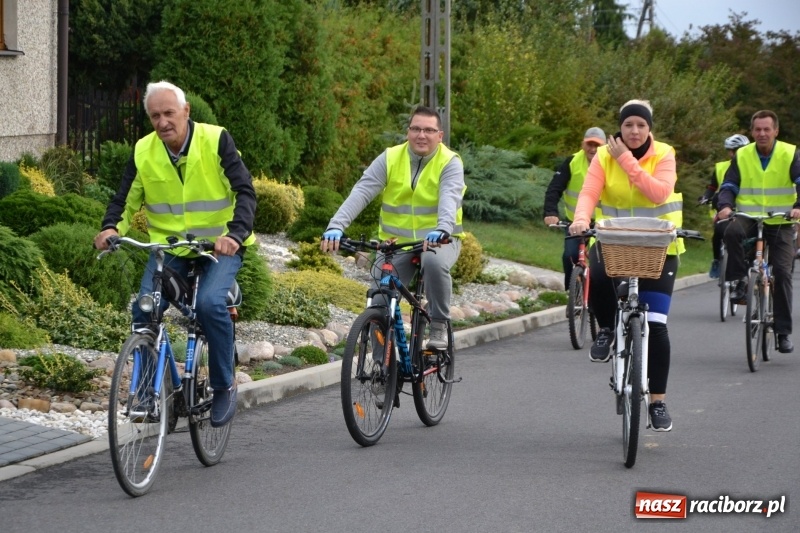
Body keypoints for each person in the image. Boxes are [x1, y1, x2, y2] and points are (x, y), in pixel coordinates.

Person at [93, 81, 256, 427]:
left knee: (209, 304)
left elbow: (244, 191)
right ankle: (155, 391)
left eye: (169, 113)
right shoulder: (144, 150)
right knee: (143, 310)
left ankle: (223, 385)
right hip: (170, 249)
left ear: (186, 111)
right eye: (155, 116)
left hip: (218, 247)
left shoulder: (216, 140)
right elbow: (124, 199)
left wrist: (235, 234)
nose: (162, 122)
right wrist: (110, 228)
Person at [569, 99, 684, 432]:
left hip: (660, 248)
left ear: (650, 129)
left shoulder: (664, 154)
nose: (634, 131)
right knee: (596, 272)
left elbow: (659, 193)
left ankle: (658, 402)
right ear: (619, 127)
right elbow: (589, 192)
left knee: (656, 326)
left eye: (641, 125)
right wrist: (581, 218)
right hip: (615, 243)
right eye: (628, 125)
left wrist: (626, 160)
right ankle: (606, 329)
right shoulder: (603, 156)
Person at [320, 105, 465, 351]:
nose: (421, 135)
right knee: (380, 299)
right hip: (396, 243)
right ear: (408, 132)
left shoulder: (449, 162)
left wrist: (442, 228)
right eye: (416, 129)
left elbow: (450, 197)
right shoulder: (390, 157)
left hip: (439, 240)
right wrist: (336, 226)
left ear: (440, 136)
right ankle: (381, 366)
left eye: (429, 130)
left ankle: (439, 323)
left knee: (433, 262)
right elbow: (362, 191)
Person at [716, 110, 800, 354]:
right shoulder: (743, 154)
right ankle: (740, 280)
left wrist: (797, 206)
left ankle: (783, 332)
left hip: (781, 220)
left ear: (776, 131)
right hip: (749, 217)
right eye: (758, 129)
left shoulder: (790, 153)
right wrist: (725, 206)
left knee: (782, 273)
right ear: (752, 132)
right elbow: (729, 184)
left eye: (767, 129)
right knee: (731, 232)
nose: (762, 133)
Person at [543, 127, 607, 288]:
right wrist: (550, 212)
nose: (593, 149)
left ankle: (597, 295)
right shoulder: (572, 162)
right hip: (576, 222)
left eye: (597, 145)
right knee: (570, 256)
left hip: (602, 223)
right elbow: (554, 189)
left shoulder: (611, 163)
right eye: (589, 144)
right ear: (582, 144)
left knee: (600, 262)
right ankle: (571, 292)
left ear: (605, 147)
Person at [699, 134, 750, 279]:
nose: (735, 154)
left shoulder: (752, 167)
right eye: (733, 151)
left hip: (746, 209)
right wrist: (706, 197)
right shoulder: (721, 167)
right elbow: (712, 186)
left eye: (740, 150)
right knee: (718, 232)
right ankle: (716, 260)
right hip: (725, 208)